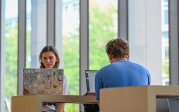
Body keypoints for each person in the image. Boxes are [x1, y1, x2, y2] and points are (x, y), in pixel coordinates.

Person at [95, 38, 151, 103]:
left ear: (110, 56)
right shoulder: (145, 72)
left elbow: (100, 103)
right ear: (127, 55)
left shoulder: (101, 73)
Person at [39, 45, 70, 112]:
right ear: (41, 60)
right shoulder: (35, 77)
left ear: (57, 59)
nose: (47, 61)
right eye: (44, 58)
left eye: (50, 58)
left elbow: (61, 104)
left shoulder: (62, 78)